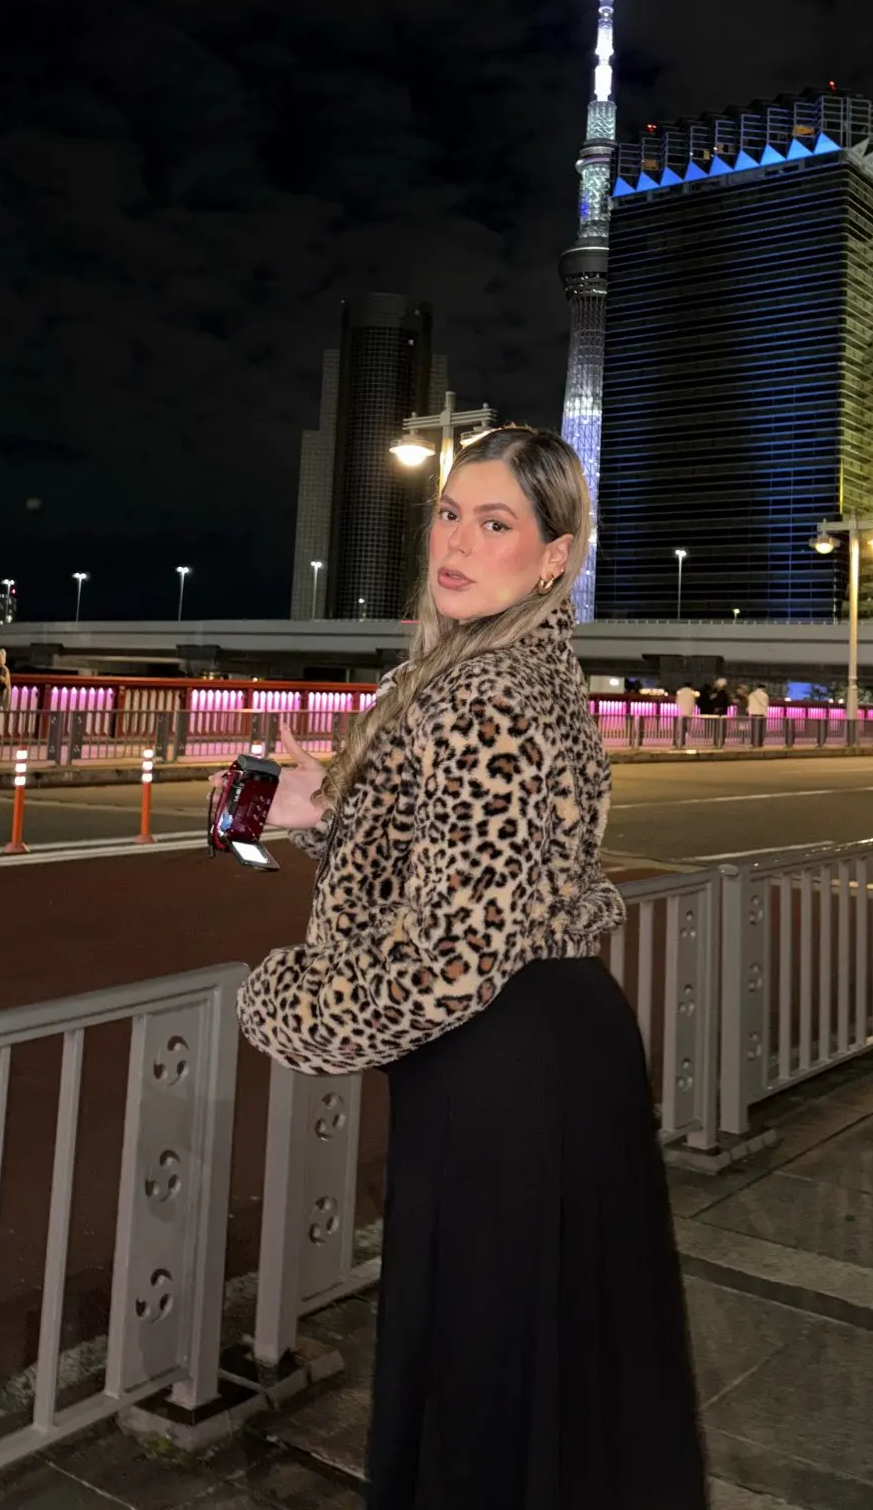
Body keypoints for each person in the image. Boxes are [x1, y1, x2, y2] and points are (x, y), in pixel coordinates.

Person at [238, 426, 705, 1509]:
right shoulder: (519, 672)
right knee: (557, 1372)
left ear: (554, 556)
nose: (455, 541)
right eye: (449, 512)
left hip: (499, 1061)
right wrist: (324, 812)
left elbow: (454, 952)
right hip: (549, 1044)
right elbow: (495, 869)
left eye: (495, 523)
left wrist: (284, 1002)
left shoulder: (481, 691)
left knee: (483, 1372)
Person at [673, 677, 699, 747]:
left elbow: (677, 701)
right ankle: (685, 736)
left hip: (681, 711)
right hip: (689, 711)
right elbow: (693, 701)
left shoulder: (680, 691)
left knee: (681, 725)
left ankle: (681, 739)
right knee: (687, 724)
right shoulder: (692, 692)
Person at [746, 681, 770, 746]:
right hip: (761, 714)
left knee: (753, 729)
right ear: (763, 688)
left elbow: (749, 704)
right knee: (761, 730)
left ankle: (753, 741)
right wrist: (766, 714)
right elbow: (766, 705)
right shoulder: (765, 695)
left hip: (753, 714)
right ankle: (760, 742)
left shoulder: (751, 694)